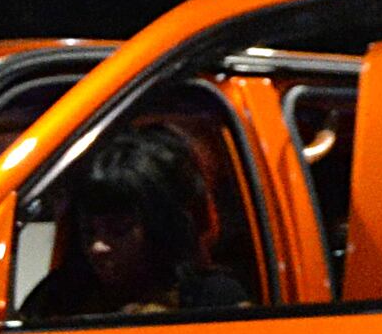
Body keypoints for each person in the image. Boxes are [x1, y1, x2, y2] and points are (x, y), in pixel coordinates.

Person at [19, 127, 253, 318]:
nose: (98, 246)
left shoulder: (213, 301)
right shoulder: (58, 296)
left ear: (160, 227)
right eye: (89, 231)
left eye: (118, 230)